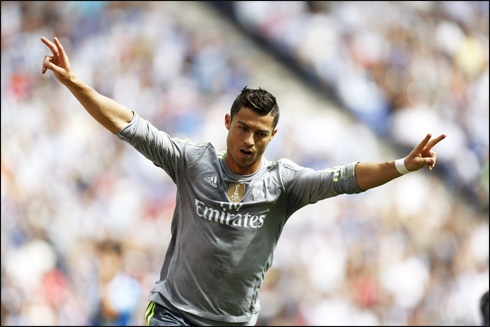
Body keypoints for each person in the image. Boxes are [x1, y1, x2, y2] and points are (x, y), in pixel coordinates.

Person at [41, 36, 446, 326]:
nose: (248, 140)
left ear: (273, 137)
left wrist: (402, 164)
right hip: (174, 314)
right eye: (242, 127)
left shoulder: (285, 183)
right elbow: (129, 124)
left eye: (260, 133)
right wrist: (74, 82)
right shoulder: (192, 161)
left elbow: (346, 178)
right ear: (227, 123)